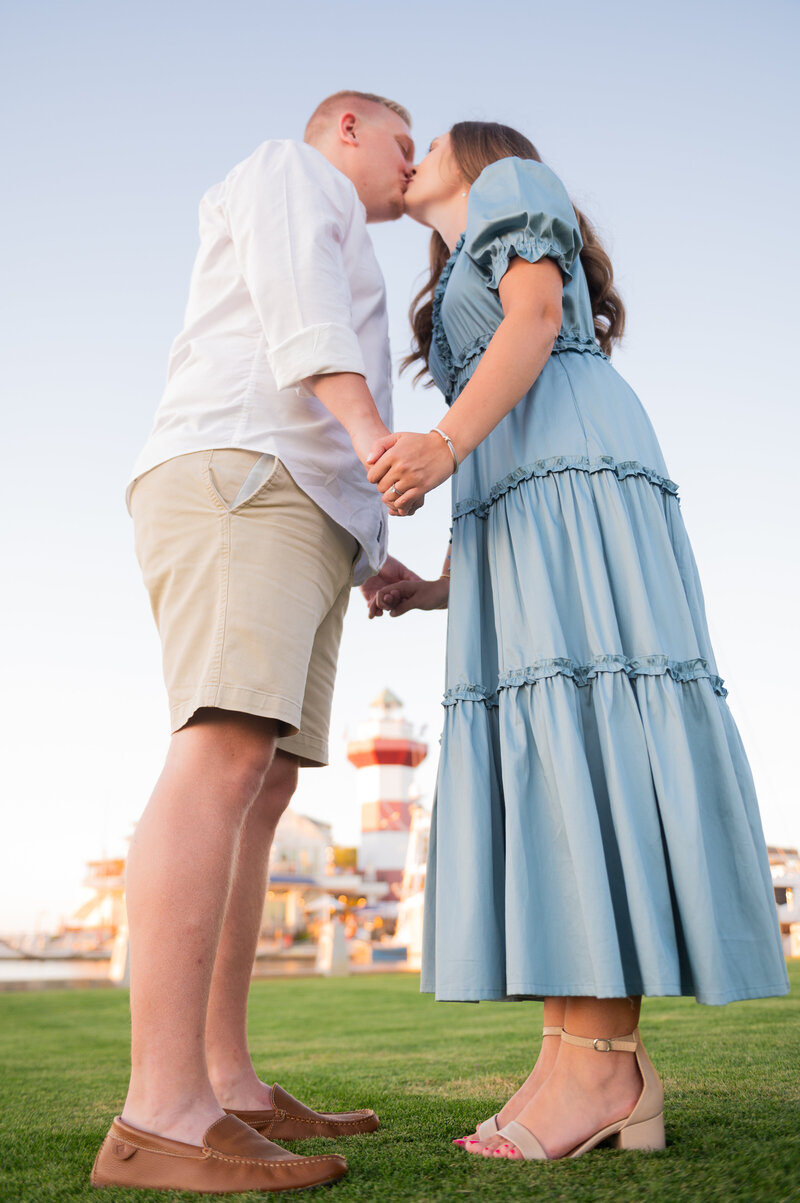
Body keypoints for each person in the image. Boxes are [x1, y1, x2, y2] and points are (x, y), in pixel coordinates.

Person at [366, 122, 789, 1163]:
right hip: (516, 501)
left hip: (573, 474)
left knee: (582, 740)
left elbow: (538, 319)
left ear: (477, 155)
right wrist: (432, 591)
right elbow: (498, 430)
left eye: (430, 142)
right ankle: (575, 1058)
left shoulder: (512, 180)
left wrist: (436, 441)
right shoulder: (460, 256)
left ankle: (603, 1060)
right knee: (552, 759)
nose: (411, 149)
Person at [92, 91, 419, 1194]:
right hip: (244, 473)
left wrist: (369, 545)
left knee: (267, 781)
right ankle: (159, 1115)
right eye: (400, 144)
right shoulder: (294, 168)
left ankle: (223, 1083)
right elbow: (296, 314)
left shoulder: (339, 211)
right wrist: (378, 442)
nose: (409, 169)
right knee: (224, 749)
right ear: (344, 130)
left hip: (304, 508)